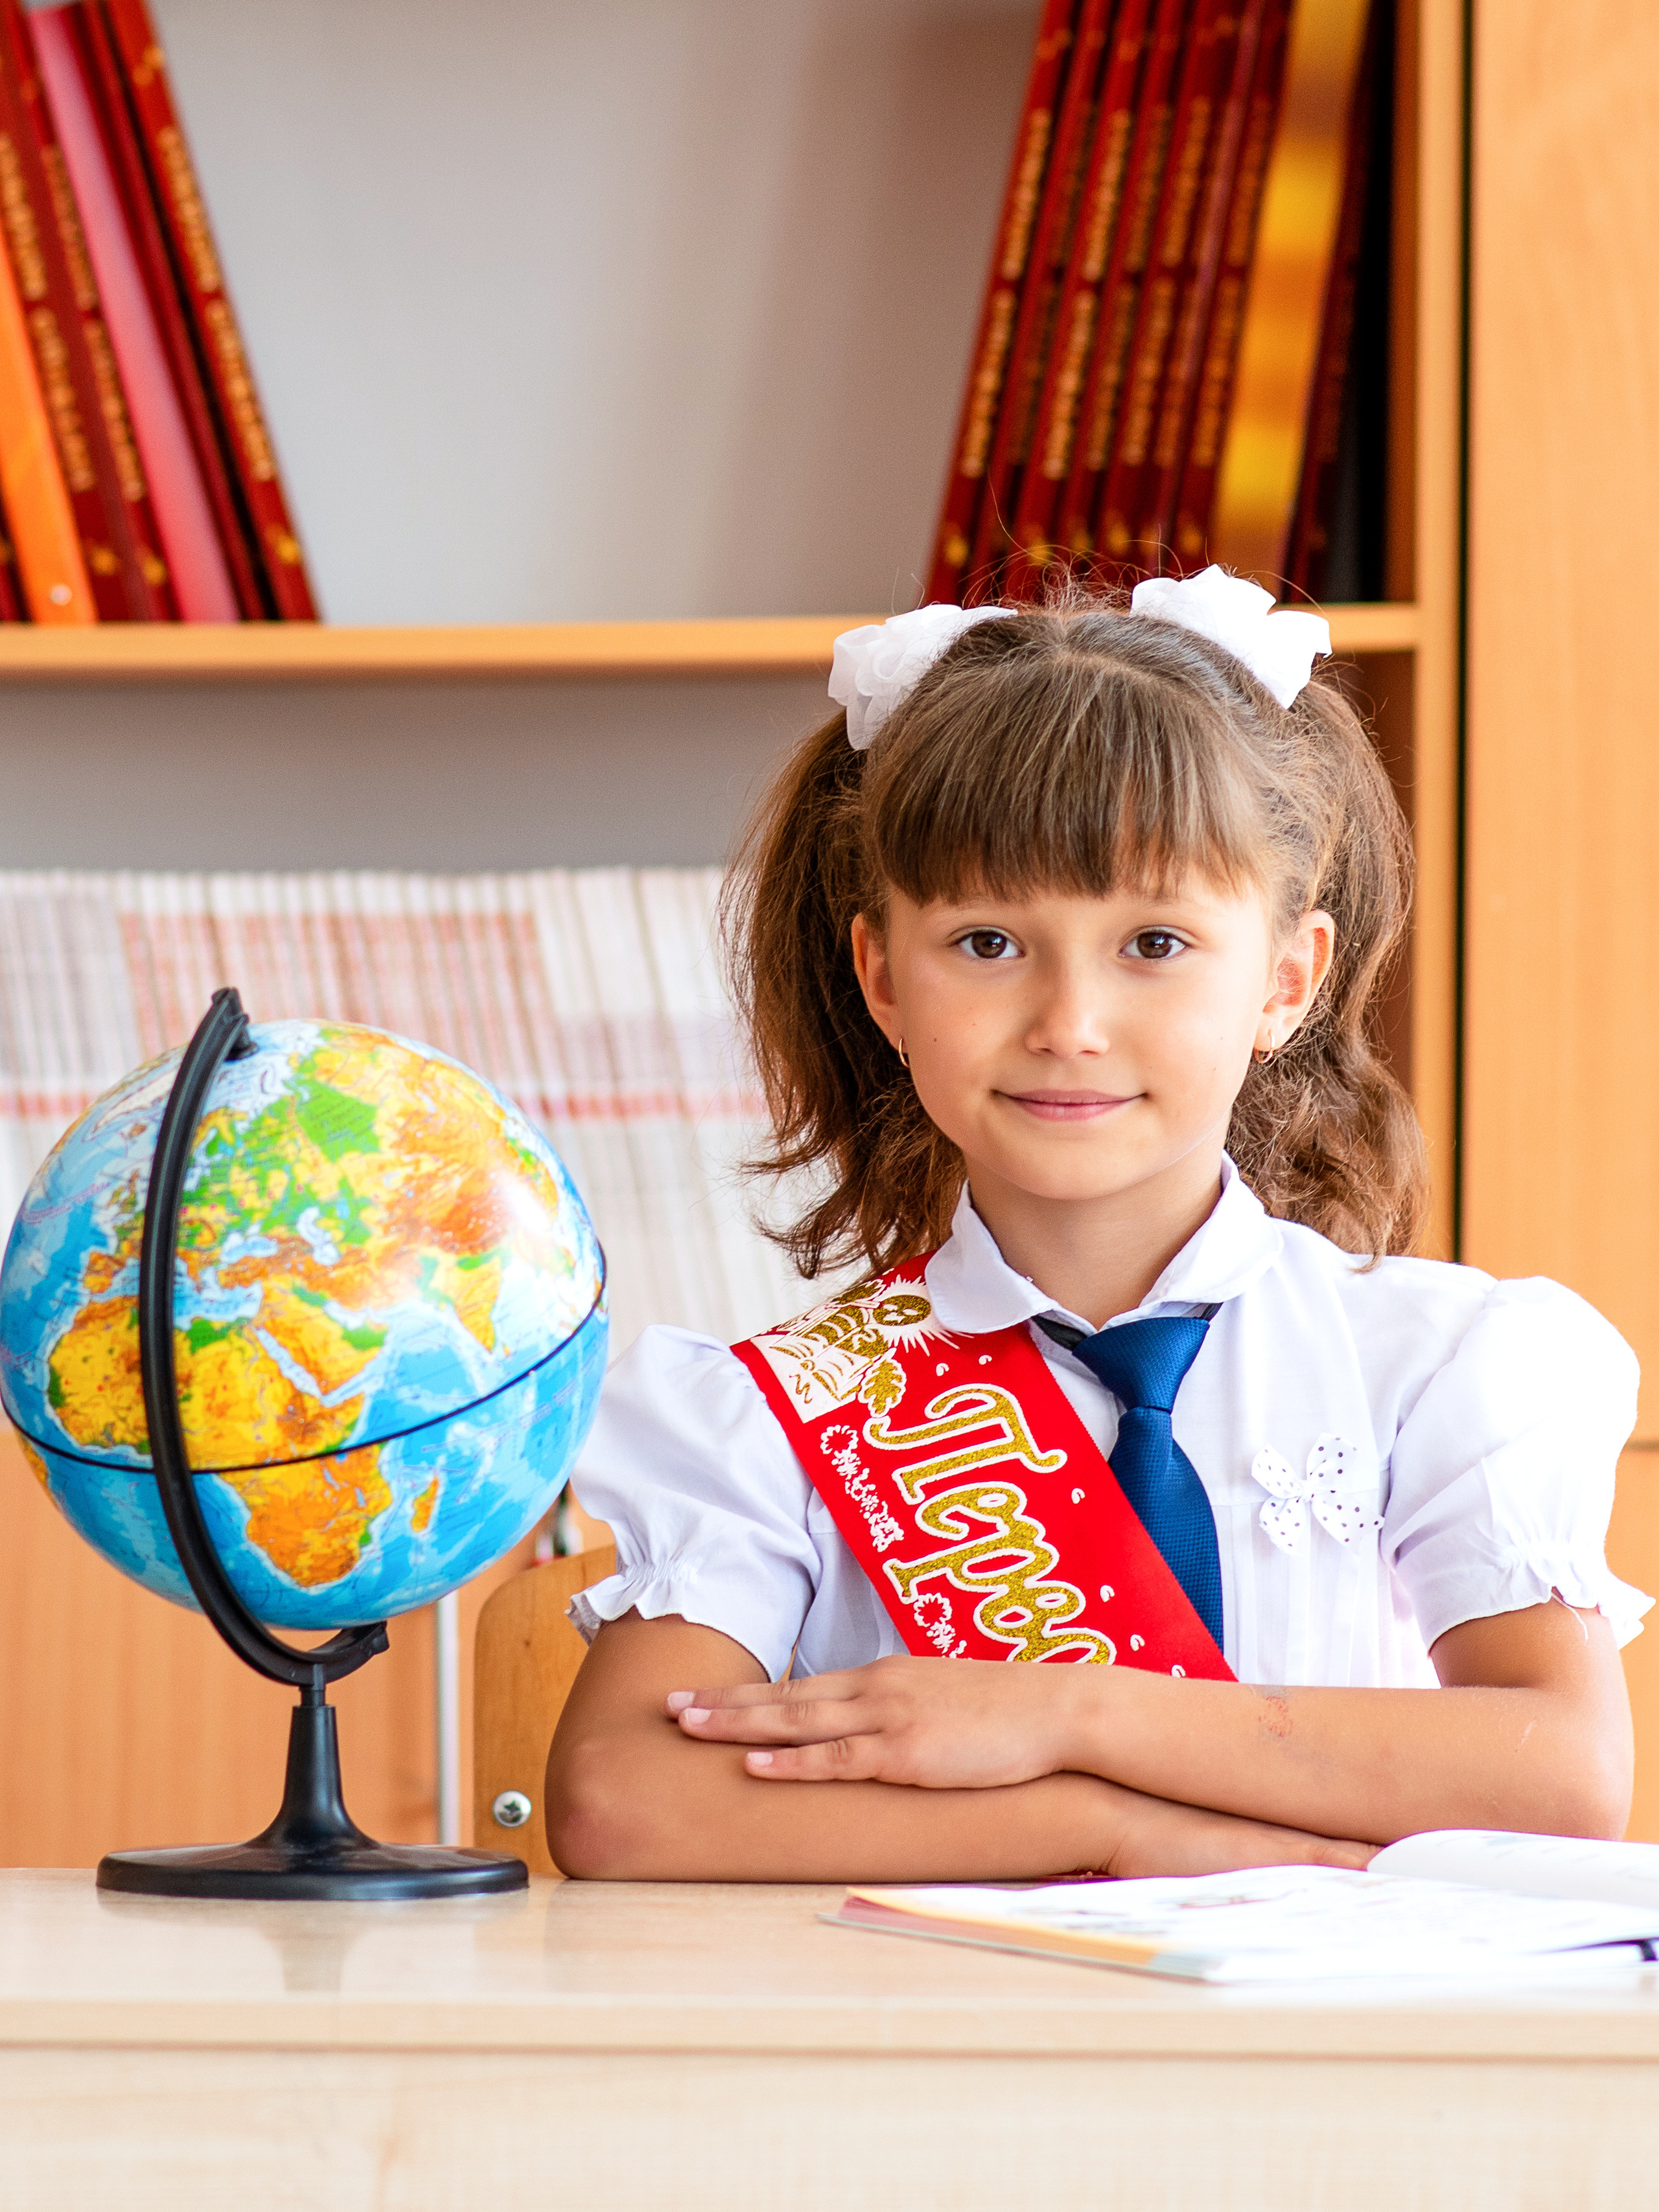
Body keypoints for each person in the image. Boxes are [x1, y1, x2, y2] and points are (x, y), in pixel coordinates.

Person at [546, 568, 1648, 1884]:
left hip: (1335, 2078)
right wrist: (1116, 1826)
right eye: (989, 944)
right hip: (931, 2070)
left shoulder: (1436, 1365)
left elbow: (1558, 1777)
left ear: (1284, 980)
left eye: (1155, 944)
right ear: (882, 979)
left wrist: (1062, 1709)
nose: (1069, 1023)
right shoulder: (765, 1420)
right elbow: (622, 1802)